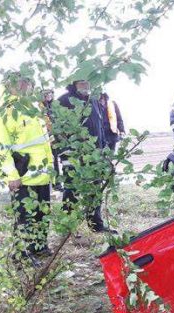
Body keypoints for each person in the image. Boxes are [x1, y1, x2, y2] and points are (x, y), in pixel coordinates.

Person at [0, 74, 54, 265]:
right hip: (22, 174)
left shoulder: (32, 106)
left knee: (42, 212)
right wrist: (10, 175)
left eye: (28, 81)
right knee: (25, 217)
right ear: (9, 84)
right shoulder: (2, 110)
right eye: (22, 82)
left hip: (41, 172)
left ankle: (39, 247)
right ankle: (22, 255)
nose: (27, 85)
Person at [56, 79, 115, 233]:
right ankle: (68, 227)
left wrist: (104, 151)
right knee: (71, 190)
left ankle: (96, 224)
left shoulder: (93, 100)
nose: (85, 85)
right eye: (81, 82)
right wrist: (67, 153)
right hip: (73, 156)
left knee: (95, 190)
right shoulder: (63, 101)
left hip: (95, 156)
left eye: (88, 81)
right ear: (74, 83)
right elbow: (58, 131)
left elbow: (100, 127)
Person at [41, 88, 63, 191]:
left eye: (50, 94)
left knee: (55, 161)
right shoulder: (40, 107)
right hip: (45, 138)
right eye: (46, 94)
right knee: (48, 161)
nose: (48, 96)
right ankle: (49, 182)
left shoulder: (55, 106)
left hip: (55, 137)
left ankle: (57, 183)